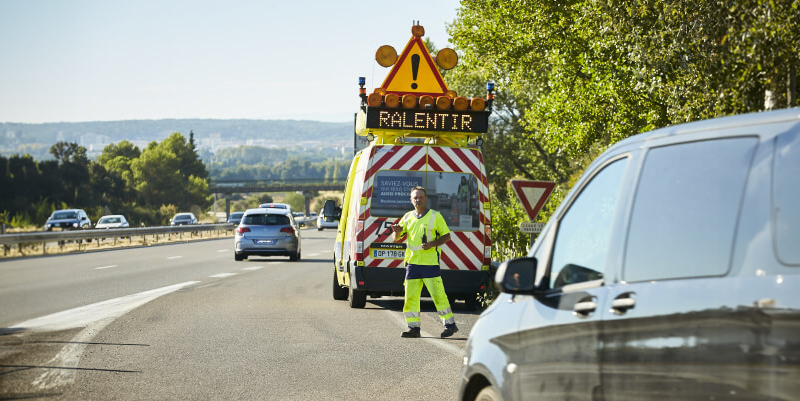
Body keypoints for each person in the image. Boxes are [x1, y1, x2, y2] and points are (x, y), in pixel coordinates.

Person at [391, 186, 458, 338]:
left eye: (421, 197)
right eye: (415, 197)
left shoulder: (435, 216)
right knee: (410, 297)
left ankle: (450, 325)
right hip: (412, 264)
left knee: (438, 295)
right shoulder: (407, 217)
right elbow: (396, 238)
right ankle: (413, 328)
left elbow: (447, 236)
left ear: (426, 199)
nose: (418, 199)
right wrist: (396, 232)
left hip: (430, 264)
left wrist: (432, 244)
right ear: (411, 200)